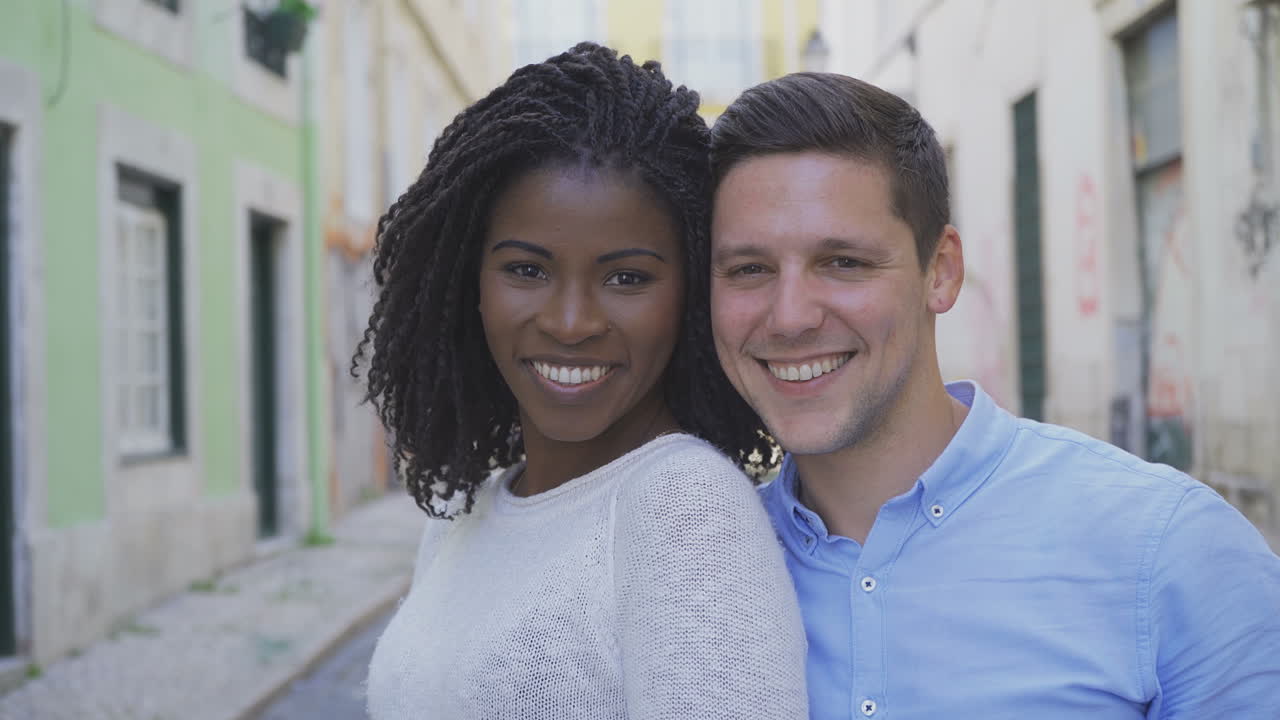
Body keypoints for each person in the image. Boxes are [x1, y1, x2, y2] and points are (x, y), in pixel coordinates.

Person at [707, 72, 1280, 719]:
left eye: (843, 262)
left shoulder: (1170, 553)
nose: (789, 317)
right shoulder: (694, 571)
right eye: (749, 269)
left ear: (941, 271)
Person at [357, 43, 807, 719]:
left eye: (627, 278)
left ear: (687, 295)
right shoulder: (468, 511)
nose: (571, 323)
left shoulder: (686, 512)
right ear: (468, 285)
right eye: (527, 271)